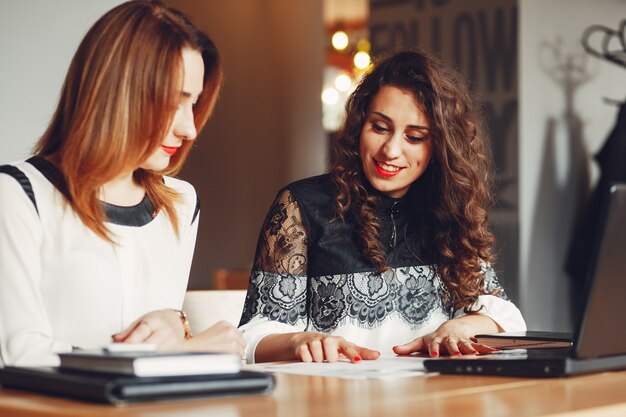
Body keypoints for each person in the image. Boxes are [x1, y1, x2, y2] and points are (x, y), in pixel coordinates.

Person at [238, 50, 526, 364]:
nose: (391, 150)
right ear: (360, 124)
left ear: (441, 145)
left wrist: (463, 325)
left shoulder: (447, 211)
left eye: (414, 137)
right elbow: (253, 335)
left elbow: (505, 317)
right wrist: (299, 340)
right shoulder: (302, 206)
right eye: (379, 128)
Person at [0, 0, 244, 366]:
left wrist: (177, 324)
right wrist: (183, 348)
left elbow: (162, 330)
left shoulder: (181, 204)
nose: (189, 128)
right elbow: (18, 355)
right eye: (172, 103)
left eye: (192, 104)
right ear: (117, 93)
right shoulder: (18, 194)